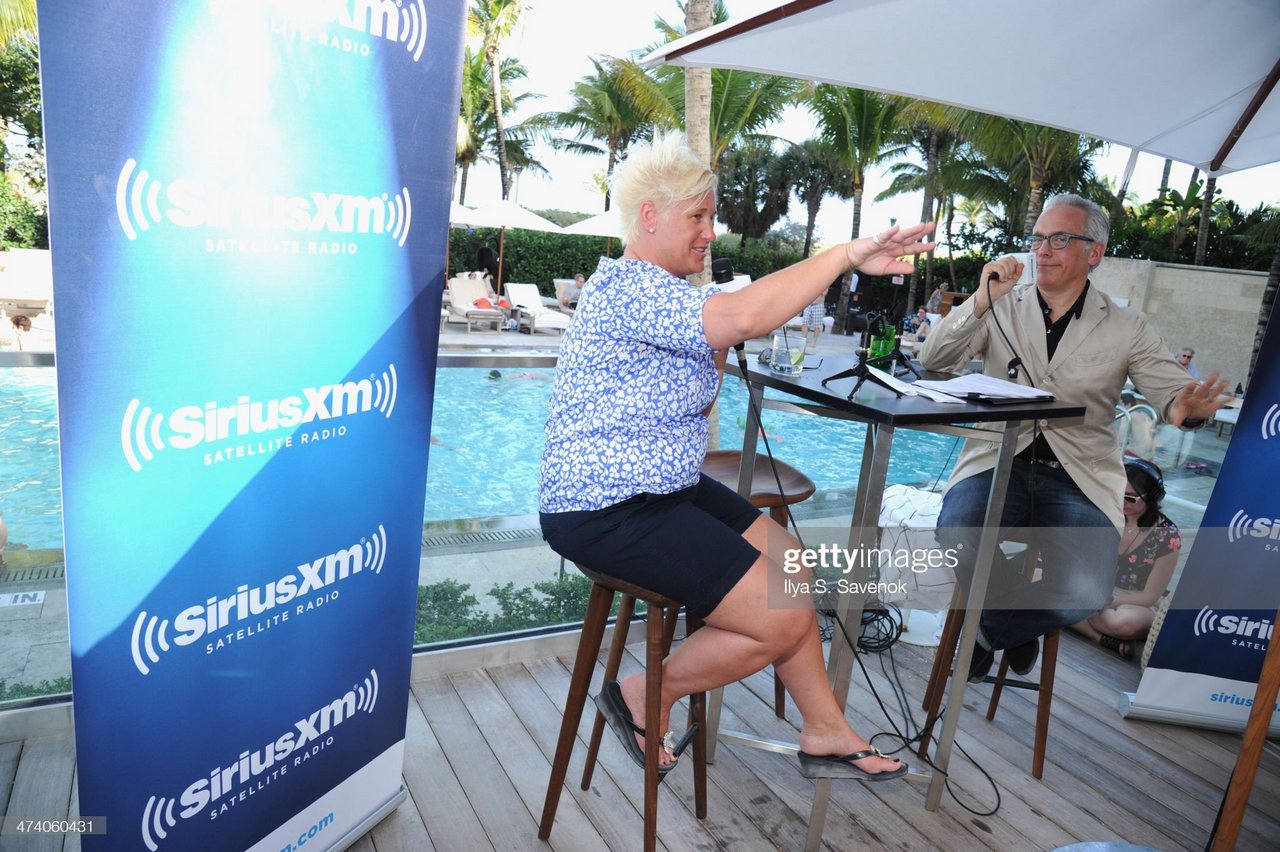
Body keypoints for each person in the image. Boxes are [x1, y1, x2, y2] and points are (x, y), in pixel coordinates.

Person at [538, 131, 934, 780]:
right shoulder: (629, 288)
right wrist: (843, 256)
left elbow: (711, 360)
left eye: (710, 216)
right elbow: (743, 320)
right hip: (605, 509)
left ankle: (825, 727)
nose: (710, 232)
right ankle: (646, 694)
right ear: (649, 217)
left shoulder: (669, 293)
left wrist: (723, 326)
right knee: (782, 614)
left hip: (664, 488)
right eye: (697, 216)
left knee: (793, 568)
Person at [919, 193, 1231, 683]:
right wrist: (981, 298)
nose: (1043, 250)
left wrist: (1188, 410)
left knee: (1088, 588)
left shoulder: (1128, 325)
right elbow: (935, 360)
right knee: (958, 531)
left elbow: (1173, 392)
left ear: (1095, 252)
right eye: (1039, 238)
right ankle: (1018, 630)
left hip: (1079, 474)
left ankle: (993, 630)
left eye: (1060, 239)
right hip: (999, 459)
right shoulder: (1002, 305)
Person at [1070, 458, 1178, 659]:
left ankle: (1075, 618)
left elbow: (1150, 596)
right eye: (1118, 493)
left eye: (1130, 498)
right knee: (1044, 584)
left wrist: (1105, 601)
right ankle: (1098, 637)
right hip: (1096, 588)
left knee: (1122, 623)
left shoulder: (1168, 535)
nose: (1121, 502)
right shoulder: (1106, 514)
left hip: (1135, 602)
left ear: (1153, 497)